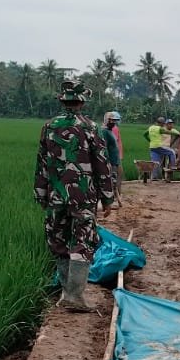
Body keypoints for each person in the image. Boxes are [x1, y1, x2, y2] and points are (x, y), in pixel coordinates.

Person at [34, 80, 114, 311]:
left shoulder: (49, 127)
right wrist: (107, 197)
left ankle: (66, 292)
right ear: (82, 102)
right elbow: (102, 164)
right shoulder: (91, 127)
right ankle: (75, 295)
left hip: (56, 195)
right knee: (82, 241)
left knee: (59, 240)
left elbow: (41, 163)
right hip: (83, 196)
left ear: (63, 101)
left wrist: (41, 194)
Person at [99, 111, 123, 208]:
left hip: (115, 161)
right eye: (111, 121)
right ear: (106, 120)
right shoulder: (104, 131)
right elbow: (104, 147)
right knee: (111, 182)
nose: (113, 122)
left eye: (115, 121)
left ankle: (115, 200)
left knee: (114, 181)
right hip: (110, 162)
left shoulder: (110, 131)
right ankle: (110, 202)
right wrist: (107, 161)